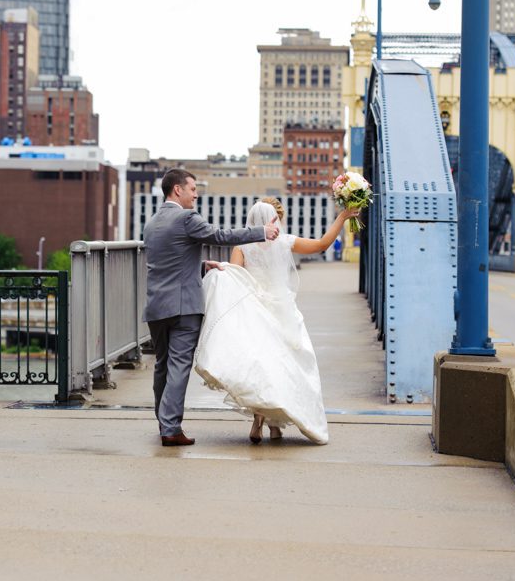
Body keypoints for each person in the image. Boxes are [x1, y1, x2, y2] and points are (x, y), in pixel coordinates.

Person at [192, 201, 359, 445]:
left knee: (261, 367)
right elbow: (323, 244)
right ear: (275, 219)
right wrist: (342, 217)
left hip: (256, 311)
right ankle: (275, 425)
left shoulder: (242, 247)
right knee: (286, 366)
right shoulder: (286, 242)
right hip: (284, 312)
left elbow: (235, 279)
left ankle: (260, 418)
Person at [142, 169, 280, 447]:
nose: (196, 193)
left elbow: (171, 259)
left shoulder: (153, 222)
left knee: (162, 365)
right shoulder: (186, 217)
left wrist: (203, 265)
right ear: (177, 190)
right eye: (192, 188)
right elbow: (219, 235)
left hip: (156, 304)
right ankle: (171, 429)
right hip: (184, 307)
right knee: (179, 365)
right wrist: (260, 232)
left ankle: (163, 421)